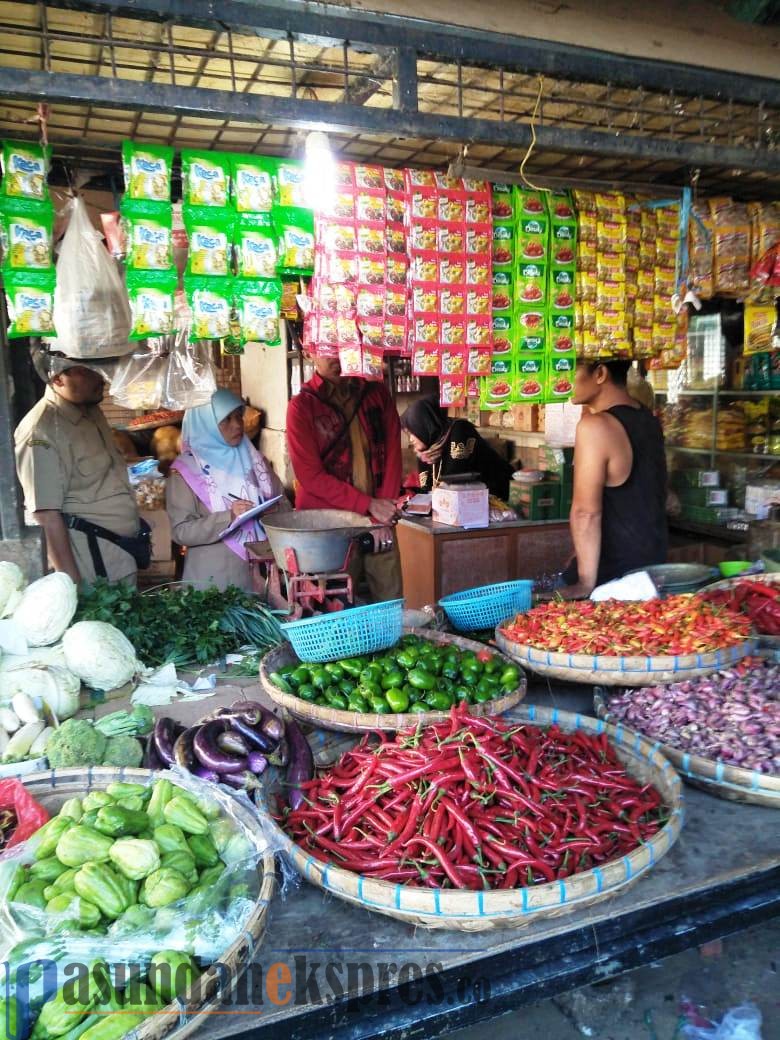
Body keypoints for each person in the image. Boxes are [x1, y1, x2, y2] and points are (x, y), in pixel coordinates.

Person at [15, 349, 143, 585]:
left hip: (119, 556)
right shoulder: (41, 431)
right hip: (91, 566)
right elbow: (45, 514)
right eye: (87, 371)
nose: (100, 377)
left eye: (100, 369)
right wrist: (70, 583)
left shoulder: (91, 411)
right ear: (57, 378)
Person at [285, 353, 403, 601]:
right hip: (329, 526)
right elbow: (310, 476)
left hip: (379, 520)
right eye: (328, 351)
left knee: (390, 604)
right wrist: (368, 505)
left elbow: (393, 455)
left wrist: (381, 516)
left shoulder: (376, 394)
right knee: (334, 607)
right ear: (309, 352)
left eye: (342, 347)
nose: (337, 358)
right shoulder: (302, 406)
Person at [167, 389, 290, 592]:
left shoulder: (255, 460)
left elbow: (283, 502)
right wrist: (229, 517)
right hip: (214, 586)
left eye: (238, 416)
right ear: (205, 423)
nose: (237, 425)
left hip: (263, 579)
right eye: (226, 419)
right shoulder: (186, 471)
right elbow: (181, 532)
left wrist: (274, 512)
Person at [563, 358, 668, 596]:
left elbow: (586, 513)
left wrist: (584, 582)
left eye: (572, 369)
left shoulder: (595, 426)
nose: (564, 379)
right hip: (649, 573)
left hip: (610, 581)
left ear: (600, 373)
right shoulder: (648, 419)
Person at [401, 395, 514, 500]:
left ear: (424, 425)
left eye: (412, 432)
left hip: (499, 498)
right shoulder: (428, 449)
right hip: (466, 502)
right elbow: (426, 490)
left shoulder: (460, 430)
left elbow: (453, 479)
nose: (411, 439)